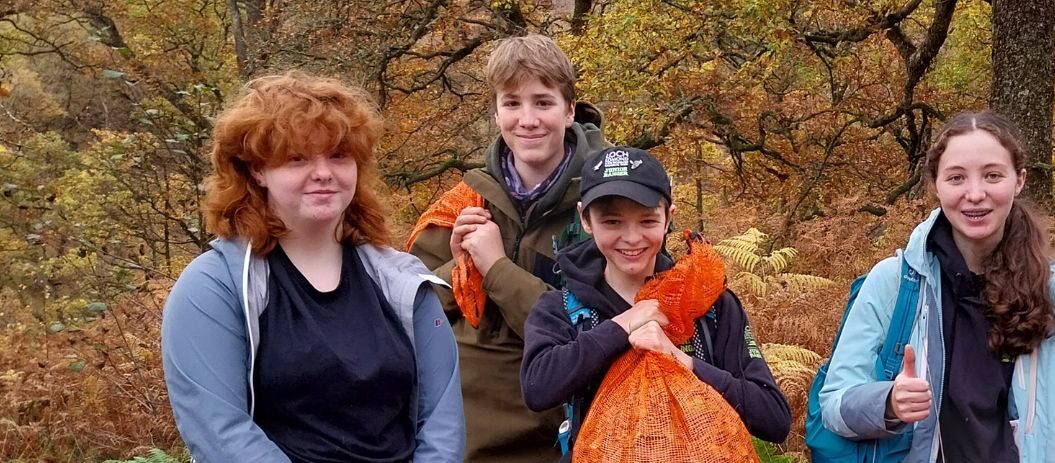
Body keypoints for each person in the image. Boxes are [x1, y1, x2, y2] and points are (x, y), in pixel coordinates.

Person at [161, 71, 463, 462]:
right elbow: (222, 435)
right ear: (256, 170)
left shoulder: (403, 282)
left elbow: (442, 424)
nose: (323, 173)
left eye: (338, 155)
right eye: (296, 158)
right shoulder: (213, 288)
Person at [814, 111, 1055, 462]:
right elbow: (834, 404)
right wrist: (889, 403)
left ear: (1019, 181)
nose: (975, 194)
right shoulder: (894, 282)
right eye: (956, 178)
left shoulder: (1051, 295)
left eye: (992, 175)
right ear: (936, 185)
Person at [406, 34, 609, 462]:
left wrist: (496, 268)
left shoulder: (608, 205)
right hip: (455, 439)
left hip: (562, 438)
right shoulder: (464, 202)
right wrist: (460, 266)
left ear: (569, 109)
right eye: (512, 103)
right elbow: (405, 308)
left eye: (543, 102)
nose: (527, 119)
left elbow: (596, 333)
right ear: (496, 112)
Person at [519, 146, 792, 461]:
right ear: (586, 220)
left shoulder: (710, 305)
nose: (632, 238)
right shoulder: (561, 308)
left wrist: (682, 360)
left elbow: (774, 418)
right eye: (612, 222)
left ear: (668, 218)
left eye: (647, 221)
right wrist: (623, 325)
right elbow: (538, 388)